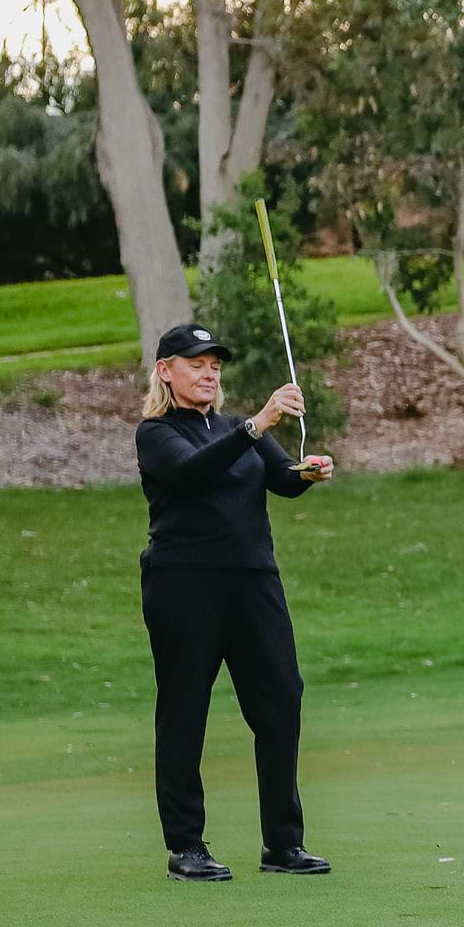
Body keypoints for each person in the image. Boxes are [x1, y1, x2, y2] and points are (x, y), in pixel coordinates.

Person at [136, 323, 335, 883]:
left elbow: (281, 479)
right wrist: (259, 423)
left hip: (253, 581)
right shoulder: (156, 433)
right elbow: (191, 473)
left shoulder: (232, 428)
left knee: (281, 700)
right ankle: (186, 847)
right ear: (165, 371)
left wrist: (308, 470)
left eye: (214, 366)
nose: (207, 373)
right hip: (184, 585)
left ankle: (282, 844)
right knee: (185, 709)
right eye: (195, 363)